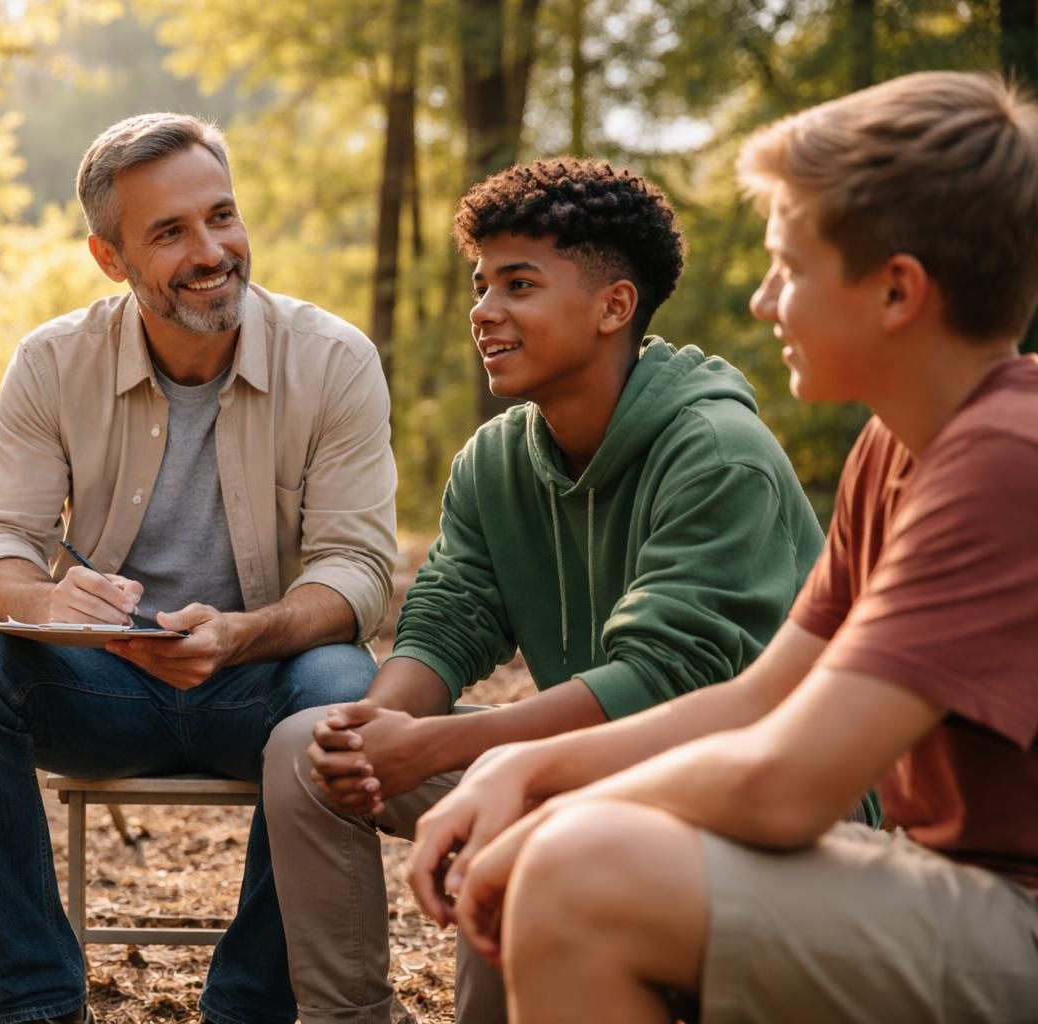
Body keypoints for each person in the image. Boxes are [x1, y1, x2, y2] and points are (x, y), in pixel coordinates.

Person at [410, 70, 1038, 1023]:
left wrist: (547, 790)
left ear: (896, 291)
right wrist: (521, 769)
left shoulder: (1004, 462)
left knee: (578, 874)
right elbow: (758, 699)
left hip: (1012, 913)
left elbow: (787, 784)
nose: (761, 300)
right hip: (947, 884)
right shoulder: (895, 445)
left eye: (789, 267)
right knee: (564, 848)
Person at [263, 157, 840, 1024]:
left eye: (519, 284)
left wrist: (439, 747)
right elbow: (448, 621)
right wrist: (377, 733)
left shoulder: (718, 452)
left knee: (512, 807)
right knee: (306, 749)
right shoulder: (495, 460)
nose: (484, 310)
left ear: (614, 307)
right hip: (573, 769)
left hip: (747, 794)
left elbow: (664, 680)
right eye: (481, 285)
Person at [0, 112, 397, 1024]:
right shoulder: (53, 361)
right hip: (102, 688)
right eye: (170, 232)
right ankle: (37, 1003)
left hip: (262, 685)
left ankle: (246, 1010)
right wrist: (49, 601)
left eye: (222, 216)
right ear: (110, 257)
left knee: (342, 684)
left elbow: (358, 569)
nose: (211, 252)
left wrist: (242, 636)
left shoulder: (334, 360)